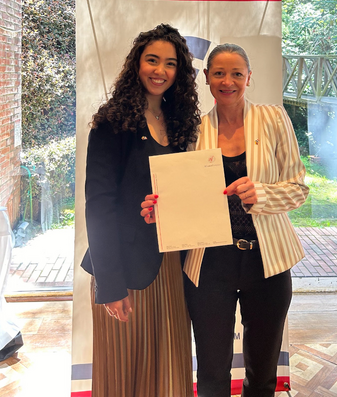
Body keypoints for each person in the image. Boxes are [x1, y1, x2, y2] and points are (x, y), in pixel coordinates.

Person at [142, 43, 309, 397]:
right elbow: (182, 193)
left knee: (263, 375)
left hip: (268, 261)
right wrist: (162, 208)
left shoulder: (274, 119)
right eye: (219, 73)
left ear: (249, 77)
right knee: (212, 373)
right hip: (209, 263)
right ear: (206, 77)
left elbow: (298, 189)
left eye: (236, 73)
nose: (227, 81)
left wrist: (261, 194)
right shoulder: (194, 130)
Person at [81, 24, 200, 397]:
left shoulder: (180, 123)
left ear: (179, 72)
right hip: (125, 269)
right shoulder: (112, 122)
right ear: (137, 63)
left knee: (169, 373)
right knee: (125, 375)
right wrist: (110, 284)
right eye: (152, 60)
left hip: (171, 266)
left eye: (170, 63)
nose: (160, 71)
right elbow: (98, 206)